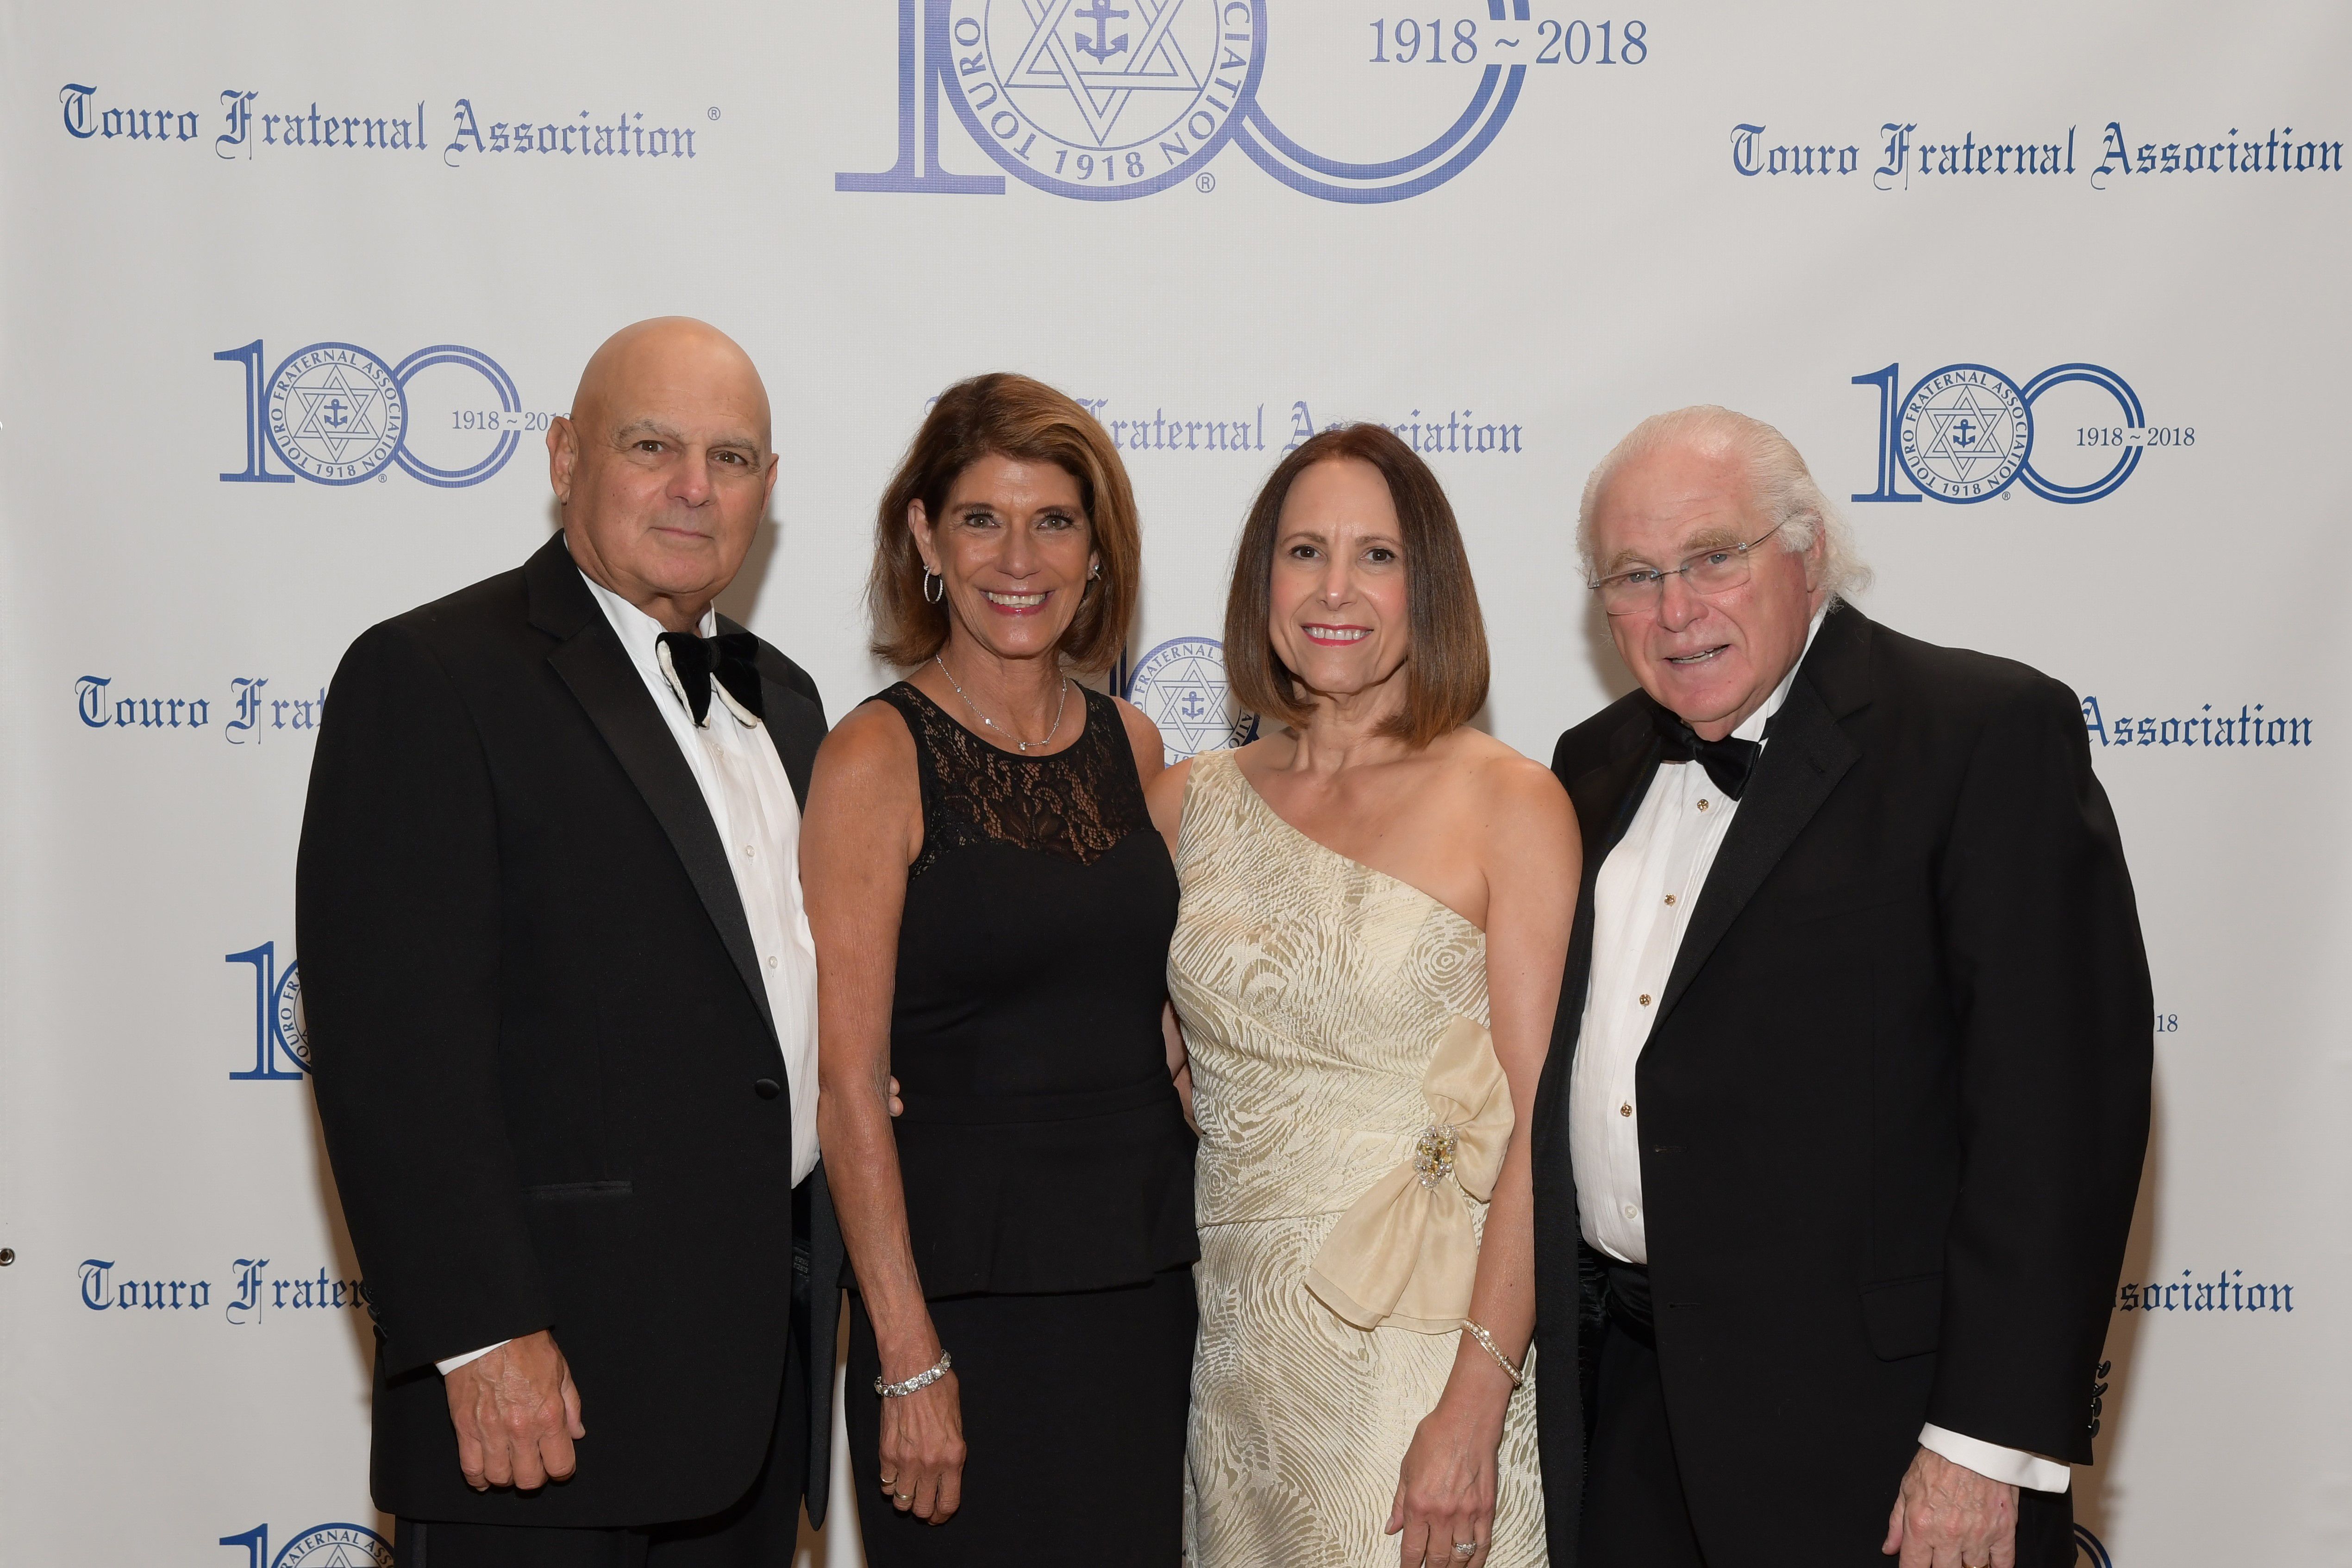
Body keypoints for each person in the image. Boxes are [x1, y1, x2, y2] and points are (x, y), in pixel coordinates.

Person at [1529, 406, 2152, 1568]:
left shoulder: (1979, 733)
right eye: (1633, 575)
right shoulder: (1590, 764)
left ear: (1806, 551)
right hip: (1627, 1425)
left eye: (1711, 556)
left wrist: (1980, 1445)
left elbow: (2057, 1119)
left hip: (1882, 1445)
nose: (1674, 608)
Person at [298, 318, 843, 1566]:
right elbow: (393, 1050)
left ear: (767, 485)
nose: (694, 487)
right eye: (651, 446)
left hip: (751, 1400)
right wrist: (483, 1335)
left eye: (731, 457)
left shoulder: (789, 699)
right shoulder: (431, 673)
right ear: (562, 456)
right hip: (541, 1402)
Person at [1151, 424, 1577, 1568]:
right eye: (1304, 551)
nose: (1334, 588)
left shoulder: (1509, 802)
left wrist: (1475, 1400)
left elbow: (1540, 1131)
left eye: (1375, 555)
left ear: (1425, 583)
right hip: (1239, 1368)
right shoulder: (1183, 805)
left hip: (1426, 1362)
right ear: (1262, 581)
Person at [800, 373, 1198, 1565]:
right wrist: (906, 1352)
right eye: (981, 518)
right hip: (958, 1308)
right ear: (925, 536)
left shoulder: (1134, 744)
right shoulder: (872, 758)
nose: (1017, 559)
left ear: (1096, 550)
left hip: (1143, 1285)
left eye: (1053, 521)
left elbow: (1159, 1014)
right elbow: (846, 1084)